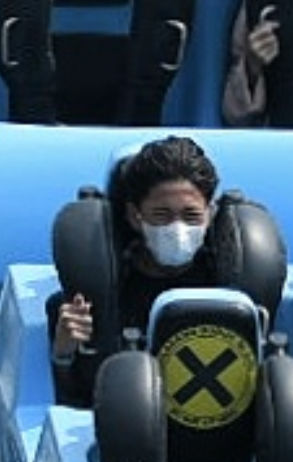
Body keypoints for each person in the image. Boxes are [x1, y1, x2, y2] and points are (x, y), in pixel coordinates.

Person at [50, 135, 222, 405]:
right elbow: (72, 399)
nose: (177, 229)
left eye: (191, 216)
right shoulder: (99, 293)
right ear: (134, 215)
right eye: (162, 215)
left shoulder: (227, 282)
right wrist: (64, 352)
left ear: (209, 214)